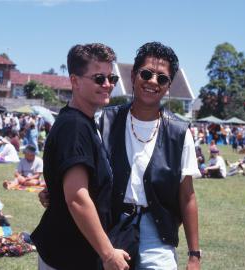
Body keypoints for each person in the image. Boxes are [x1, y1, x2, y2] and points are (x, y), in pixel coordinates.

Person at [40, 42, 201, 270]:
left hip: (157, 232)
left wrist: (194, 255)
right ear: (134, 75)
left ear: (168, 86)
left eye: (162, 78)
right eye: (146, 74)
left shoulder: (180, 133)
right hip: (110, 225)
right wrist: (54, 189)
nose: (153, 81)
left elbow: (187, 196)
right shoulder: (102, 121)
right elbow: (76, 167)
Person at [31, 43, 130, 270]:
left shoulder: (82, 122)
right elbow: (77, 198)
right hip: (67, 256)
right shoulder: (75, 126)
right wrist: (108, 254)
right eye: (99, 78)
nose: (108, 85)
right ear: (75, 81)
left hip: (73, 252)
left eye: (111, 78)